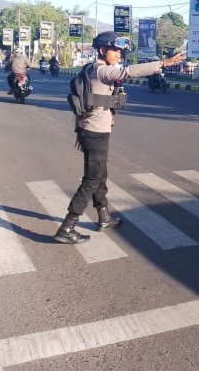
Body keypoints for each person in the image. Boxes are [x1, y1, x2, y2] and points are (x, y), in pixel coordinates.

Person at [53, 31, 167, 244]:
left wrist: (79, 131)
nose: (118, 54)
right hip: (96, 132)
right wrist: (161, 63)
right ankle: (67, 227)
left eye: (120, 51)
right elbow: (128, 72)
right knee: (91, 181)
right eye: (115, 50)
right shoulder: (102, 70)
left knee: (100, 177)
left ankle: (103, 217)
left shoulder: (89, 69)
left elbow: (80, 104)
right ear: (103, 50)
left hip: (90, 131)